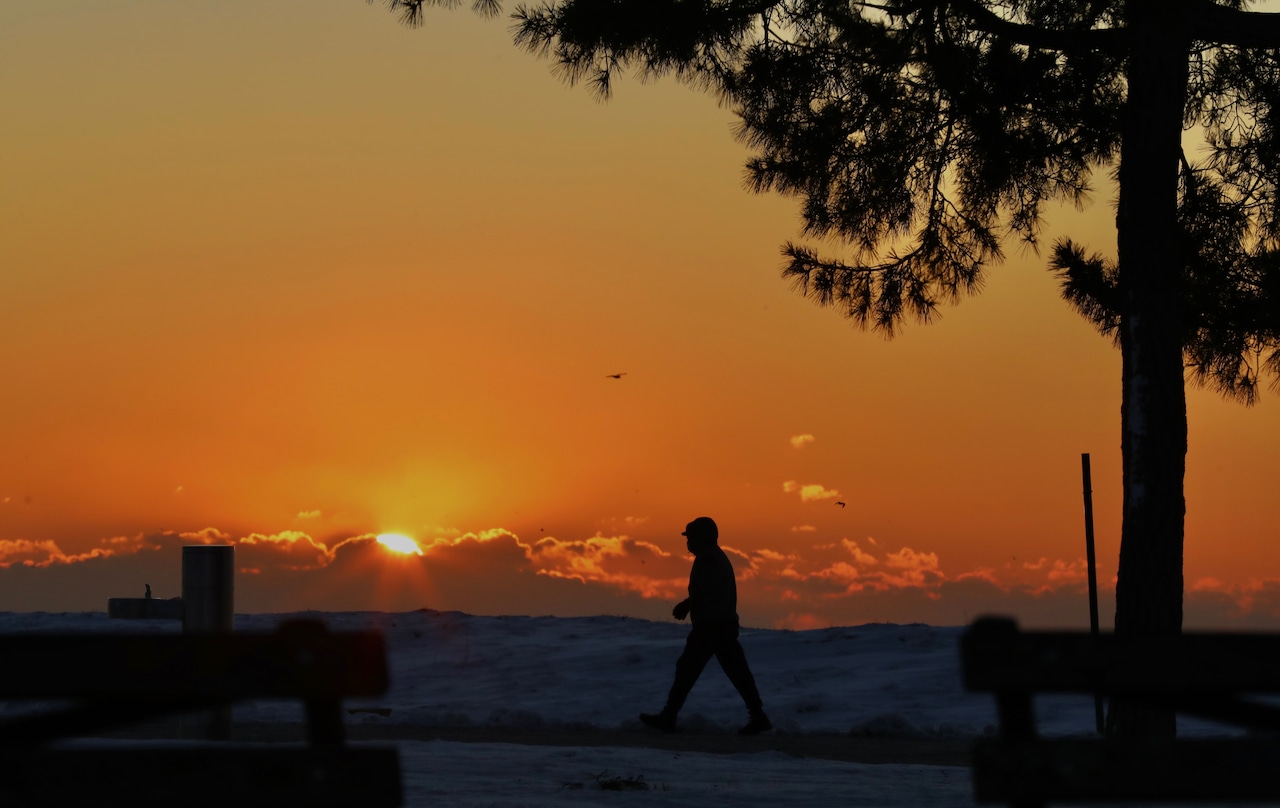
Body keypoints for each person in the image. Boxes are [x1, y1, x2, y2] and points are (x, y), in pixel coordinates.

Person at [640, 516, 772, 735]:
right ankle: (758, 716)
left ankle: (668, 716)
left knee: (688, 670)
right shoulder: (713, 557)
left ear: (702, 538)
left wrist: (688, 604)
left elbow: (709, 591)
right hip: (721, 625)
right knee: (735, 672)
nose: (688, 542)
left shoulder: (708, 559)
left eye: (690, 537)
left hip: (712, 626)